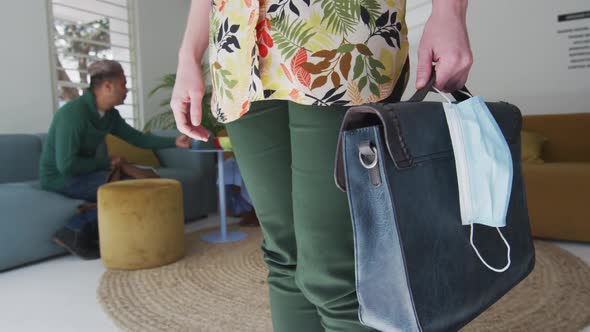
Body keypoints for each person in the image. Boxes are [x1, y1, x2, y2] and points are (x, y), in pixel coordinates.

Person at [172, 0, 472, 330]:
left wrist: (449, 13)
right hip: (239, 51)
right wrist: (188, 56)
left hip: (338, 34)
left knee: (335, 266)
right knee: (283, 254)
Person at [40, 60, 192, 259]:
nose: (126, 90)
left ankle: (92, 228)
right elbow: (66, 166)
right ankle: (72, 230)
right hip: (59, 178)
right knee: (129, 193)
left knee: (140, 186)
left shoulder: (110, 116)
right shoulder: (72, 115)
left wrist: (175, 142)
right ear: (107, 86)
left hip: (84, 173)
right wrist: (106, 163)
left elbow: (138, 138)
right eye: (123, 84)